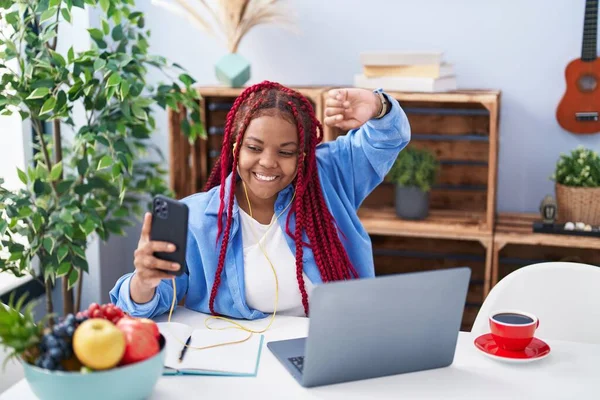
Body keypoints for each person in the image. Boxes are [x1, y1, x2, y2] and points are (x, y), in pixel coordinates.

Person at [109, 81, 410, 320]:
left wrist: (377, 105)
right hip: (241, 361)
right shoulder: (197, 217)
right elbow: (147, 305)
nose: (267, 162)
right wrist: (143, 282)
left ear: (302, 156)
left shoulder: (329, 178)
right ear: (236, 147)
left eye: (286, 151)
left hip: (334, 350)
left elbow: (388, 139)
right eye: (254, 147)